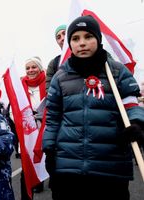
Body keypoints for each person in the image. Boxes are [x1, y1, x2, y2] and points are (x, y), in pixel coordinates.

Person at [42, 15, 144, 200]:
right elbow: (53, 117)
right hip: (69, 168)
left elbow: (131, 104)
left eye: (88, 36)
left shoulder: (117, 71)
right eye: (75, 38)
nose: (82, 43)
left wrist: (136, 123)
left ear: (98, 39)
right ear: (70, 44)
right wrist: (49, 149)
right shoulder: (60, 77)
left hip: (110, 167)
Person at [20, 56, 47, 197]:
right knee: (26, 170)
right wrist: (27, 119)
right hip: (27, 133)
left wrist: (44, 117)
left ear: (40, 68)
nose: (31, 70)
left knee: (50, 165)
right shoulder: (20, 86)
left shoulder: (49, 83)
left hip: (46, 131)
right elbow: (14, 109)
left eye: (33, 67)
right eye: (27, 68)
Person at [46, 24, 66, 91]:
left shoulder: (86, 54)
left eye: (64, 34)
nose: (62, 38)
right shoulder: (54, 63)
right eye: (58, 37)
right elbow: (49, 89)